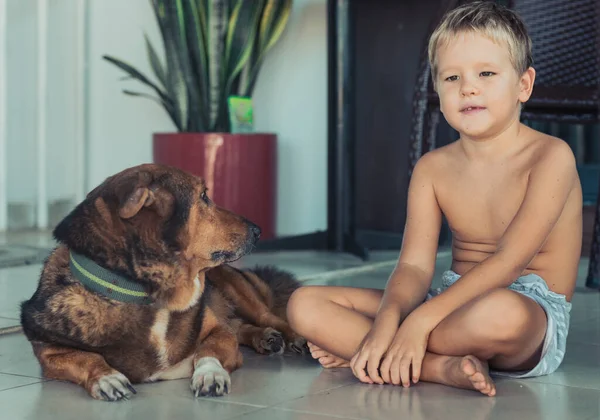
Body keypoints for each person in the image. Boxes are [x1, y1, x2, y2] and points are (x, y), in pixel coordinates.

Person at [286, 1, 582, 397]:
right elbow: (412, 265)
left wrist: (415, 323)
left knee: (501, 313)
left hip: (526, 312)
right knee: (303, 304)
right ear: (437, 88)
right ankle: (437, 368)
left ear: (523, 85)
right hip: (448, 302)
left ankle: (374, 350)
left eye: (487, 73)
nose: (468, 87)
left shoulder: (551, 156)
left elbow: (509, 262)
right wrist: (392, 316)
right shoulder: (432, 168)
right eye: (451, 77)